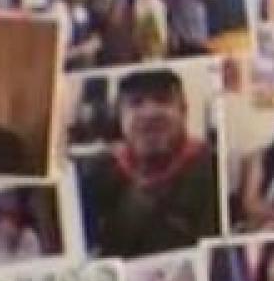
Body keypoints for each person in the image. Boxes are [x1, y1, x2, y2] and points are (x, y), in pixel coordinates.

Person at [78, 68, 220, 258]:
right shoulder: (96, 176)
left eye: (162, 100)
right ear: (120, 117)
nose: (150, 113)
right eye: (136, 102)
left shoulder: (213, 172)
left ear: (184, 111)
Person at [0, 196, 42, 263]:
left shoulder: (30, 236)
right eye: (5, 217)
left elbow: (35, 261)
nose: (6, 224)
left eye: (14, 217)